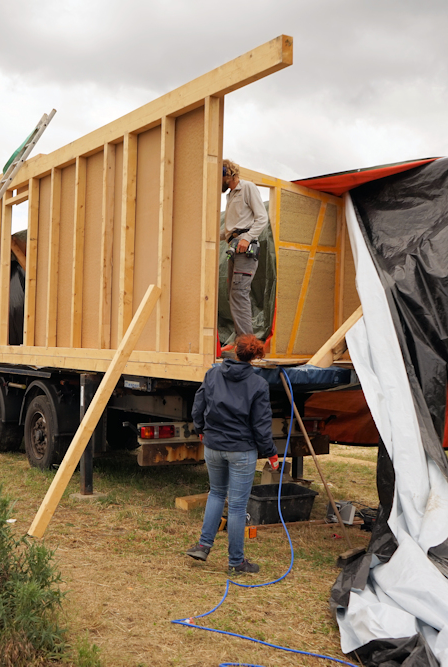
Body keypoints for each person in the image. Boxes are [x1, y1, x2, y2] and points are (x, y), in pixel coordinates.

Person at [186, 334, 278, 574]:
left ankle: (204, 546)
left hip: (213, 446)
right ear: (255, 356)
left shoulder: (213, 373)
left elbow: (198, 405)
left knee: (216, 493)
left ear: (234, 350)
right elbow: (261, 424)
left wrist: (200, 429)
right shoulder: (259, 384)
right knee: (237, 507)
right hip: (241, 450)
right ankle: (236, 562)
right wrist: (271, 453)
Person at [221, 159, 269, 338]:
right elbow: (232, 229)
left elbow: (262, 218)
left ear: (227, 174)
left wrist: (248, 238)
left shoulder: (247, 187)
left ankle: (247, 345)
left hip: (245, 249)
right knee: (234, 295)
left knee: (240, 294)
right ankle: (242, 341)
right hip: (234, 247)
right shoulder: (230, 195)